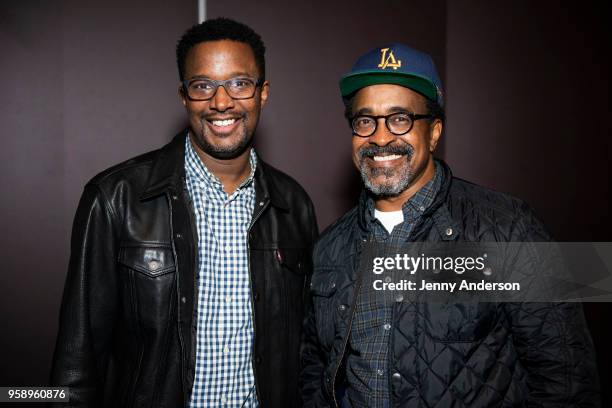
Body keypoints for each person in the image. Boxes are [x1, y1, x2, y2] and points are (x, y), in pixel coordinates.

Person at [300, 44, 600, 407]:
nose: (379, 138)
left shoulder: (508, 228)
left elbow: (567, 380)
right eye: (365, 121)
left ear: (434, 132)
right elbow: (316, 370)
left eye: (400, 118)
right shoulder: (330, 247)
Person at [51, 18, 318, 407]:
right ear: (184, 96)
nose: (222, 101)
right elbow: (75, 366)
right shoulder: (115, 198)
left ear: (263, 93)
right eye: (203, 85)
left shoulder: (294, 205)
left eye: (240, 83)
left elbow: (308, 351)